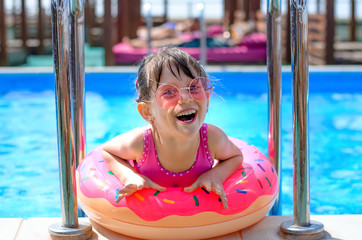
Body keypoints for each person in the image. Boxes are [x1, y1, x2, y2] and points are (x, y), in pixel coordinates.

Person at [102, 48, 243, 209]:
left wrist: (216, 174)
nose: (185, 98)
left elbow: (236, 156)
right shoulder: (141, 144)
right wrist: (129, 176)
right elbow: (107, 151)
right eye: (169, 92)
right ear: (147, 112)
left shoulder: (211, 139)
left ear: (207, 100)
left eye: (194, 88)